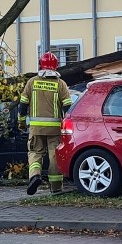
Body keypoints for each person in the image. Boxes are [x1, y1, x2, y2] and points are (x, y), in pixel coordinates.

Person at [18, 52, 73, 196]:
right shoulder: (60, 84)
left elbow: (22, 105)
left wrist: (22, 123)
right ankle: (56, 188)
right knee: (55, 157)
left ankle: (35, 176)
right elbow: (68, 107)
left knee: (35, 154)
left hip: (36, 128)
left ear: (40, 64)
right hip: (55, 130)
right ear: (56, 66)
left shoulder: (32, 82)